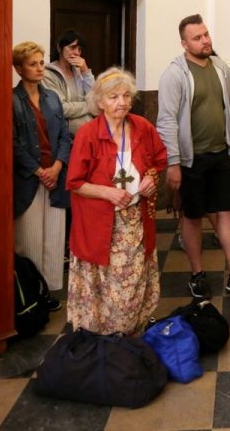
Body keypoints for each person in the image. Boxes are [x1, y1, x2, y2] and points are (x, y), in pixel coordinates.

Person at [157, 14, 230, 298]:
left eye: (206, 34)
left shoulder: (220, 67)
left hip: (219, 154)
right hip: (190, 160)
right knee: (192, 218)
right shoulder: (174, 74)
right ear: (184, 43)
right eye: (197, 38)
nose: (205, 41)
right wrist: (173, 163)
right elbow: (166, 121)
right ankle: (197, 274)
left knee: (227, 213)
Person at [66, 68, 167, 335]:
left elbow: (159, 160)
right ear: (99, 101)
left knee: (132, 283)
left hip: (135, 220)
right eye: (113, 97)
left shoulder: (142, 127)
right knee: (103, 283)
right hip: (99, 223)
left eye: (126, 96)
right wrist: (107, 192)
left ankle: (130, 335)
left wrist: (151, 178)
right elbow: (74, 182)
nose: (121, 102)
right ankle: (102, 340)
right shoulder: (88, 134)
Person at [12, 41, 71, 311]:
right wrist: (38, 171)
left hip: (55, 177)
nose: (39, 68)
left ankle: (48, 292)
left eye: (41, 62)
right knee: (30, 241)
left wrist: (57, 167)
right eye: (32, 64)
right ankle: (32, 294)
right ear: (19, 68)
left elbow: (64, 136)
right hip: (29, 180)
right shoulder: (12, 100)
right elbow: (13, 144)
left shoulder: (52, 98)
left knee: (54, 239)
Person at [43, 30, 95, 136]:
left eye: (79, 49)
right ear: (59, 48)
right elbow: (62, 108)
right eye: (72, 47)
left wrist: (86, 72)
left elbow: (95, 97)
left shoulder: (78, 71)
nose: (77, 53)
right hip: (66, 135)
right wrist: (90, 106)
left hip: (88, 131)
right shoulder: (48, 74)